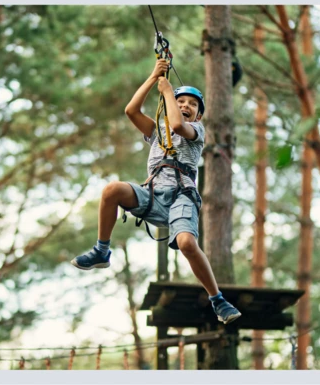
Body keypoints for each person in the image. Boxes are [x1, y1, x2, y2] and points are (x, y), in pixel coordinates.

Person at [70, 58, 241, 324]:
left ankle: (217, 299)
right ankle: (102, 250)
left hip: (182, 197)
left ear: (199, 115)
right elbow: (131, 110)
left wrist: (169, 93)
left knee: (186, 243)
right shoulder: (157, 131)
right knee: (112, 190)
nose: (185, 106)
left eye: (192, 105)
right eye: (181, 101)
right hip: (152, 193)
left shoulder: (196, 130)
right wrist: (153, 76)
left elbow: (176, 125)